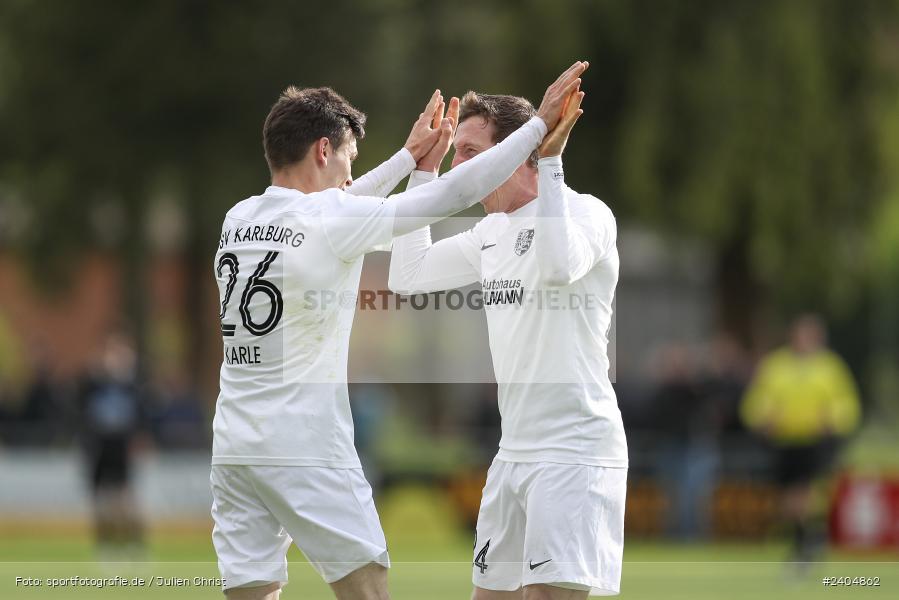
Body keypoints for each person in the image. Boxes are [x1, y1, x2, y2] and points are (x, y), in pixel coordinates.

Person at [211, 62, 587, 600]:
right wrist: (537, 128)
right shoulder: (330, 220)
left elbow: (339, 204)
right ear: (323, 150)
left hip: (233, 444)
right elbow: (447, 196)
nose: (348, 176)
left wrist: (409, 160)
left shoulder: (239, 218)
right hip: (304, 442)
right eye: (346, 159)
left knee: (253, 592)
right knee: (368, 588)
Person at [389, 78, 628, 599]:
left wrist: (553, 160)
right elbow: (407, 276)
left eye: (471, 152)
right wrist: (423, 170)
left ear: (516, 152)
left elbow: (558, 265)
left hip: (574, 450)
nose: (461, 166)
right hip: (513, 452)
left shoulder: (588, 213)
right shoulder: (490, 233)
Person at [741, 314, 861, 563]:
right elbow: (756, 400)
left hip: (815, 441)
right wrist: (763, 418)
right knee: (788, 499)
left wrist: (833, 419)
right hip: (785, 441)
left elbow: (847, 403)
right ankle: (807, 538)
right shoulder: (776, 365)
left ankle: (806, 542)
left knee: (805, 494)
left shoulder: (830, 367)